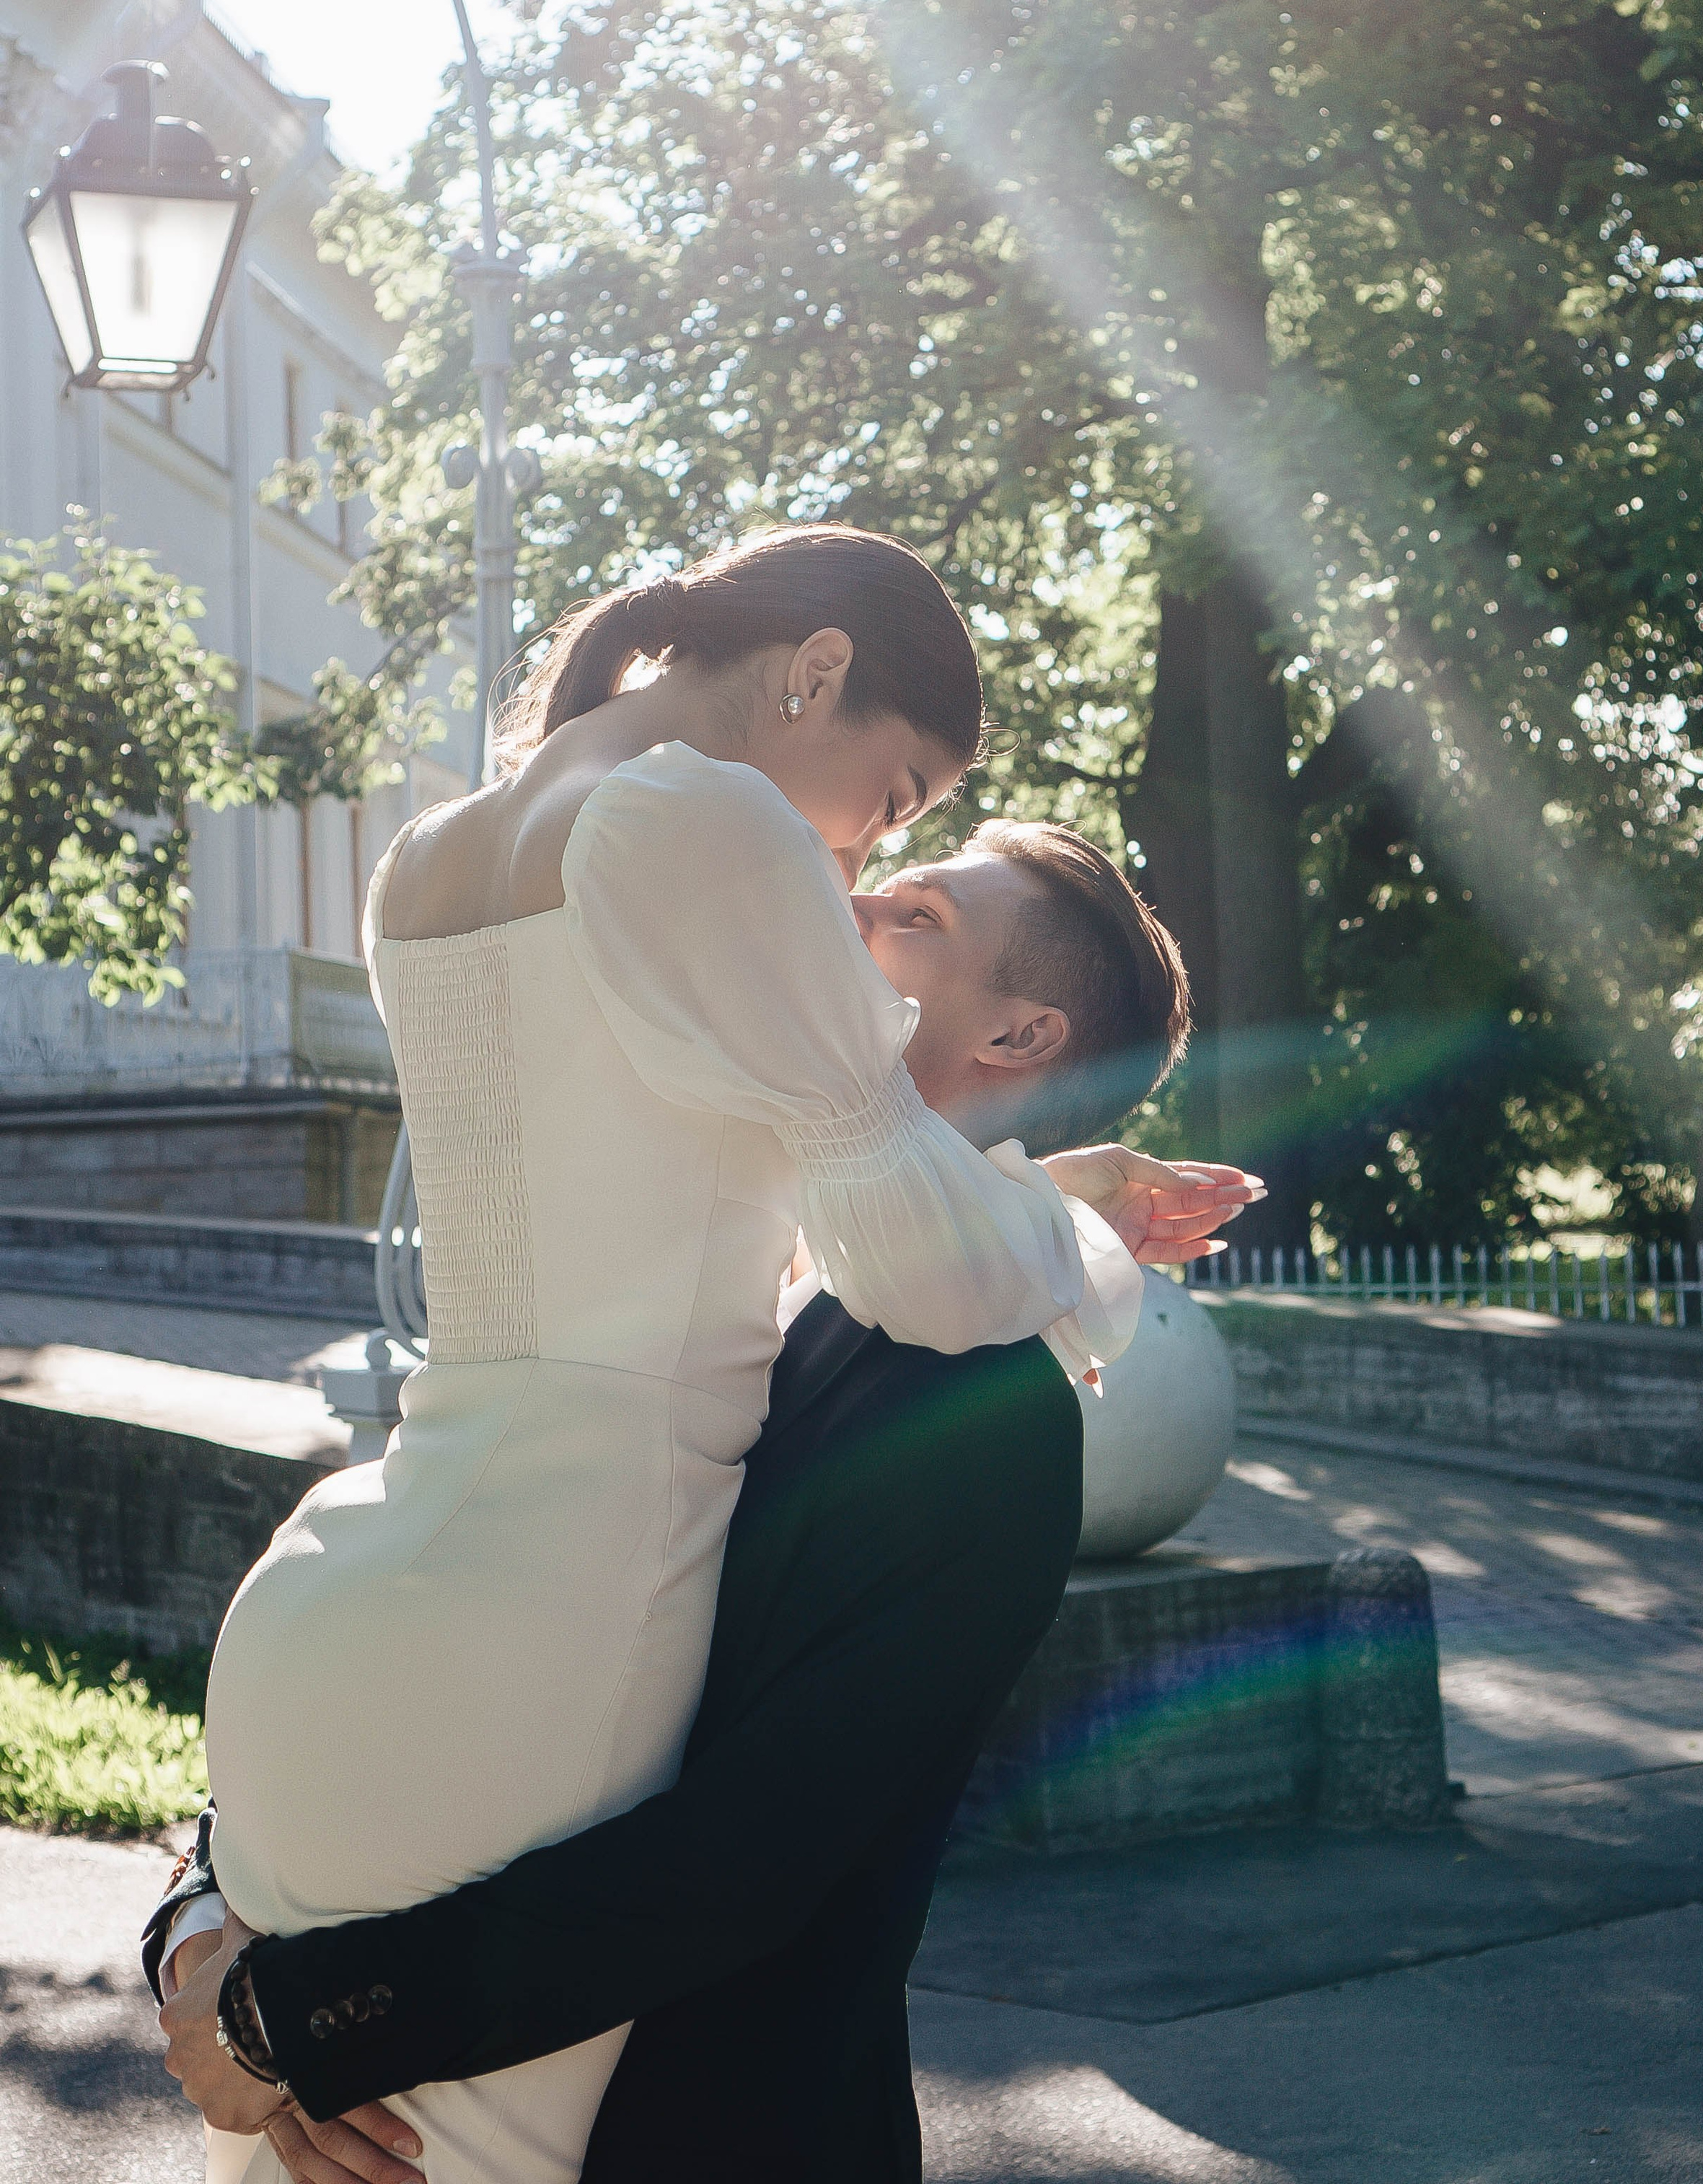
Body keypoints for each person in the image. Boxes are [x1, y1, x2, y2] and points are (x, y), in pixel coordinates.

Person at [176, 525, 1237, 2184]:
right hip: (556, 1608)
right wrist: (1081, 1241)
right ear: (812, 673)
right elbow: (894, 1247)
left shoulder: (434, 851)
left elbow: (712, 1184)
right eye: (890, 801)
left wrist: (261, 1990)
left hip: (347, 1583)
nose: (862, 867)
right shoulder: (708, 816)